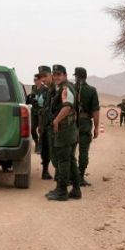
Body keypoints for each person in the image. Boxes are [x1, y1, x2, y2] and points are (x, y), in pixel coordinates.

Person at [46, 64, 80, 201]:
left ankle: (62, 190)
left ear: (65, 75)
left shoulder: (65, 88)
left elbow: (67, 107)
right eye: (54, 75)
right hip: (69, 129)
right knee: (70, 160)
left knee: (63, 160)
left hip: (64, 129)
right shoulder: (62, 87)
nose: (56, 77)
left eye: (59, 75)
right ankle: (76, 189)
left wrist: (56, 121)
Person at [74, 67, 100, 187]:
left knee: (70, 150)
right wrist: (96, 127)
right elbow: (95, 111)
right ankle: (80, 176)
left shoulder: (70, 89)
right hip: (85, 122)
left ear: (76, 76)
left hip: (71, 123)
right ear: (85, 76)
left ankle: (70, 175)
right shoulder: (91, 90)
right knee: (83, 151)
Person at [37, 66, 54, 180]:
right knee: (45, 149)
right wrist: (40, 124)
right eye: (41, 77)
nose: (43, 79)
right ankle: (45, 171)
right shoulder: (43, 90)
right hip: (44, 124)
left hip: (53, 124)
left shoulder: (56, 88)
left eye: (45, 76)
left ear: (50, 75)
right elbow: (41, 108)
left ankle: (62, 176)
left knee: (56, 150)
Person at [26, 74, 42, 153]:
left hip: (41, 112)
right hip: (34, 111)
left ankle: (40, 146)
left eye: (36, 80)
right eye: (34, 80)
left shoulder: (44, 89)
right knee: (32, 129)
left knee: (41, 129)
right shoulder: (33, 88)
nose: (34, 81)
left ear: (40, 80)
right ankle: (36, 142)